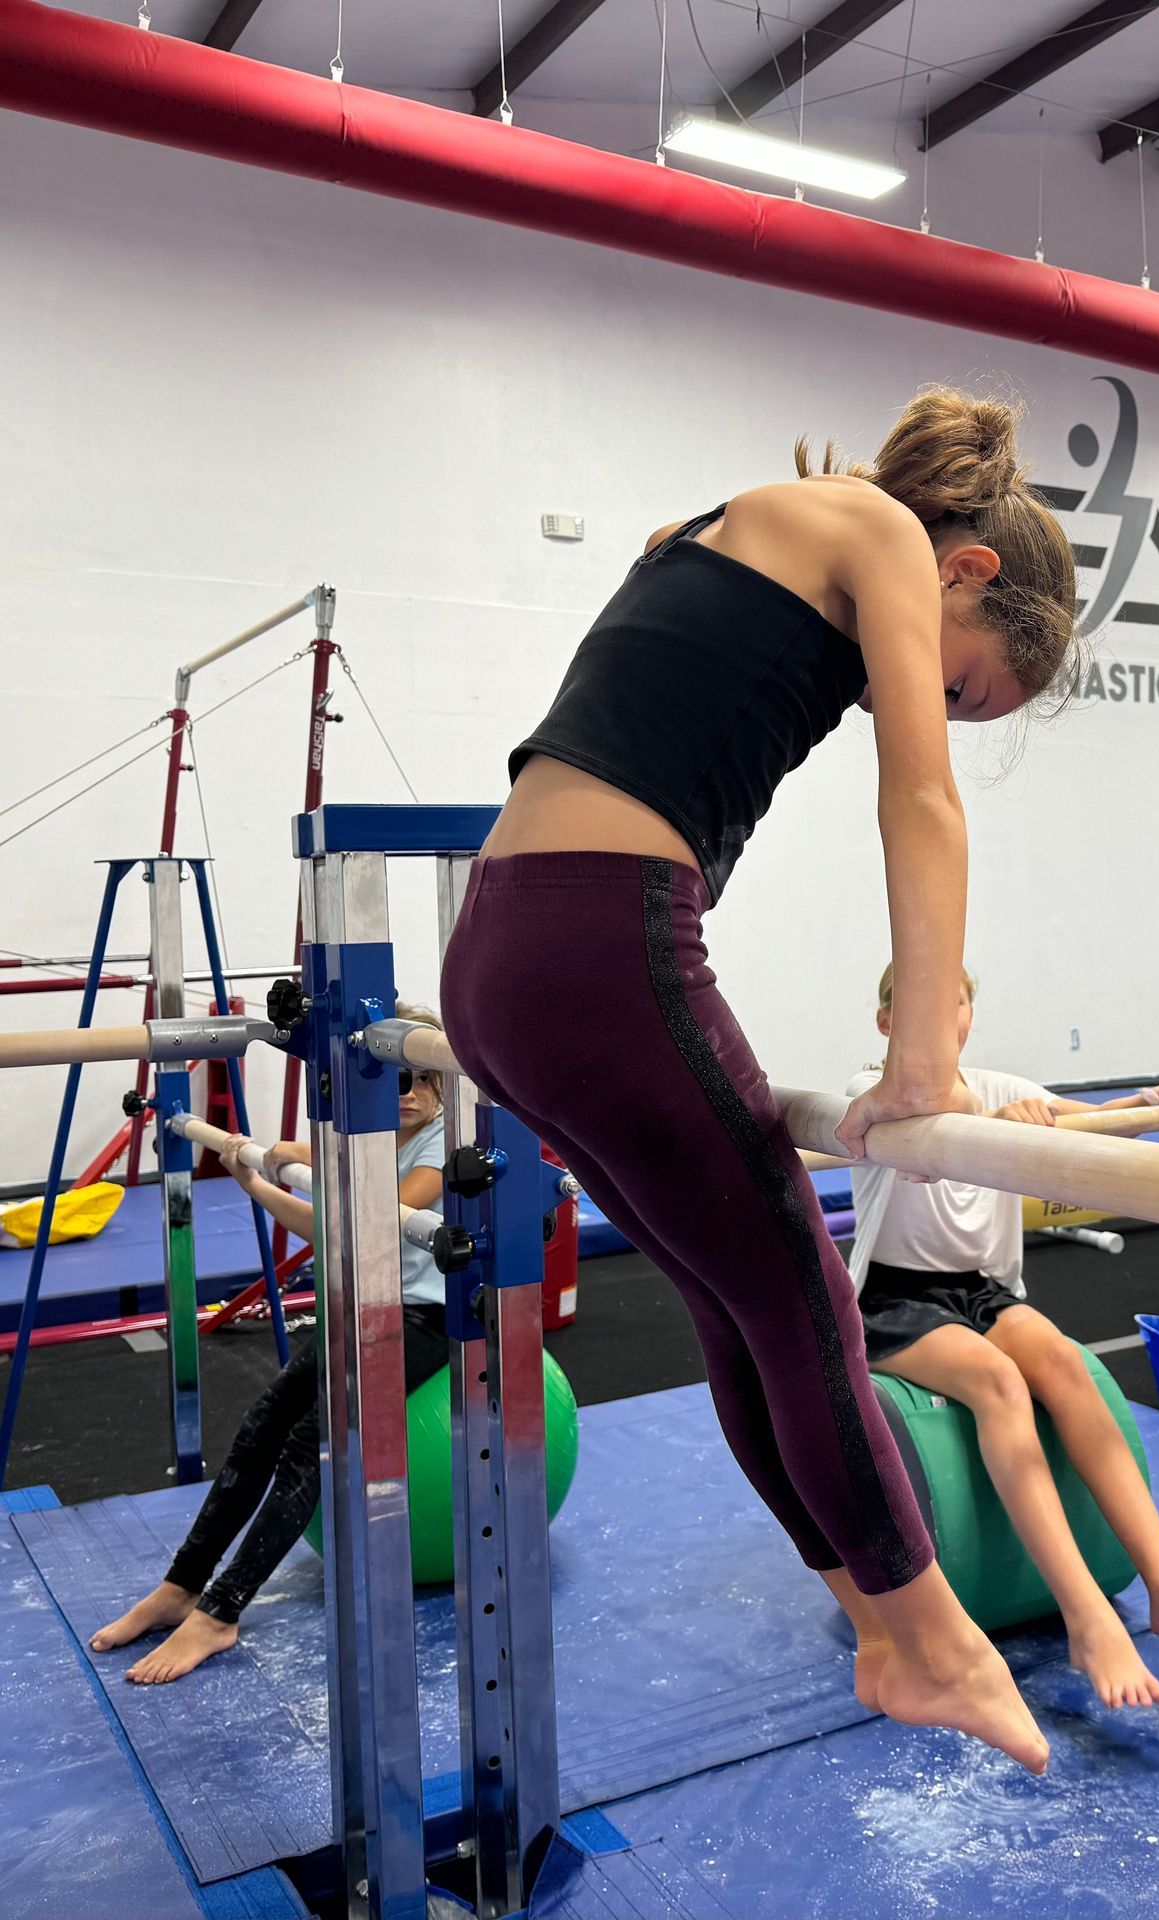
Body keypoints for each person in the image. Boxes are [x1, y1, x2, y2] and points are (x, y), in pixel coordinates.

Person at [440, 389, 1077, 1775]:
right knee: (804, 1302)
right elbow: (919, 800)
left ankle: (876, 1623)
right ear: (965, 571)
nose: (934, 706)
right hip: (603, 944)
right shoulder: (887, 538)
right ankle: (948, 1644)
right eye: (966, 686)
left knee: (738, 1307)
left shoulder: (714, 525)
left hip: (493, 959)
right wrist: (927, 1060)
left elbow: (655, 699)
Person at [845, 964, 1159, 1709]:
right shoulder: (866, 1092)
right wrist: (989, 1133)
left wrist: (1155, 1102)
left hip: (981, 1293)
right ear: (885, 1025)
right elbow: (915, 1139)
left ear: (970, 1016)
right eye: (920, 1006)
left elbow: (1094, 1123)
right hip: (892, 1302)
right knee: (1000, 1385)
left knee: (1066, 1364)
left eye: (955, 1001)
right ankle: (1086, 1614)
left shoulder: (1004, 1087)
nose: (941, 1018)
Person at [91, 1005, 451, 1684]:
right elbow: (330, 1229)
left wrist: (308, 1153)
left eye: (420, 1085)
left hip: (427, 1319)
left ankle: (222, 1611)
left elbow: (383, 1214)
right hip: (366, 1305)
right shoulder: (377, 1136)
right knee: (259, 1428)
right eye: (392, 1082)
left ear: (444, 1091)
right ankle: (182, 1585)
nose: (404, 1097)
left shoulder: (438, 1145)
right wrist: (259, 1178)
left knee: (308, 1444)